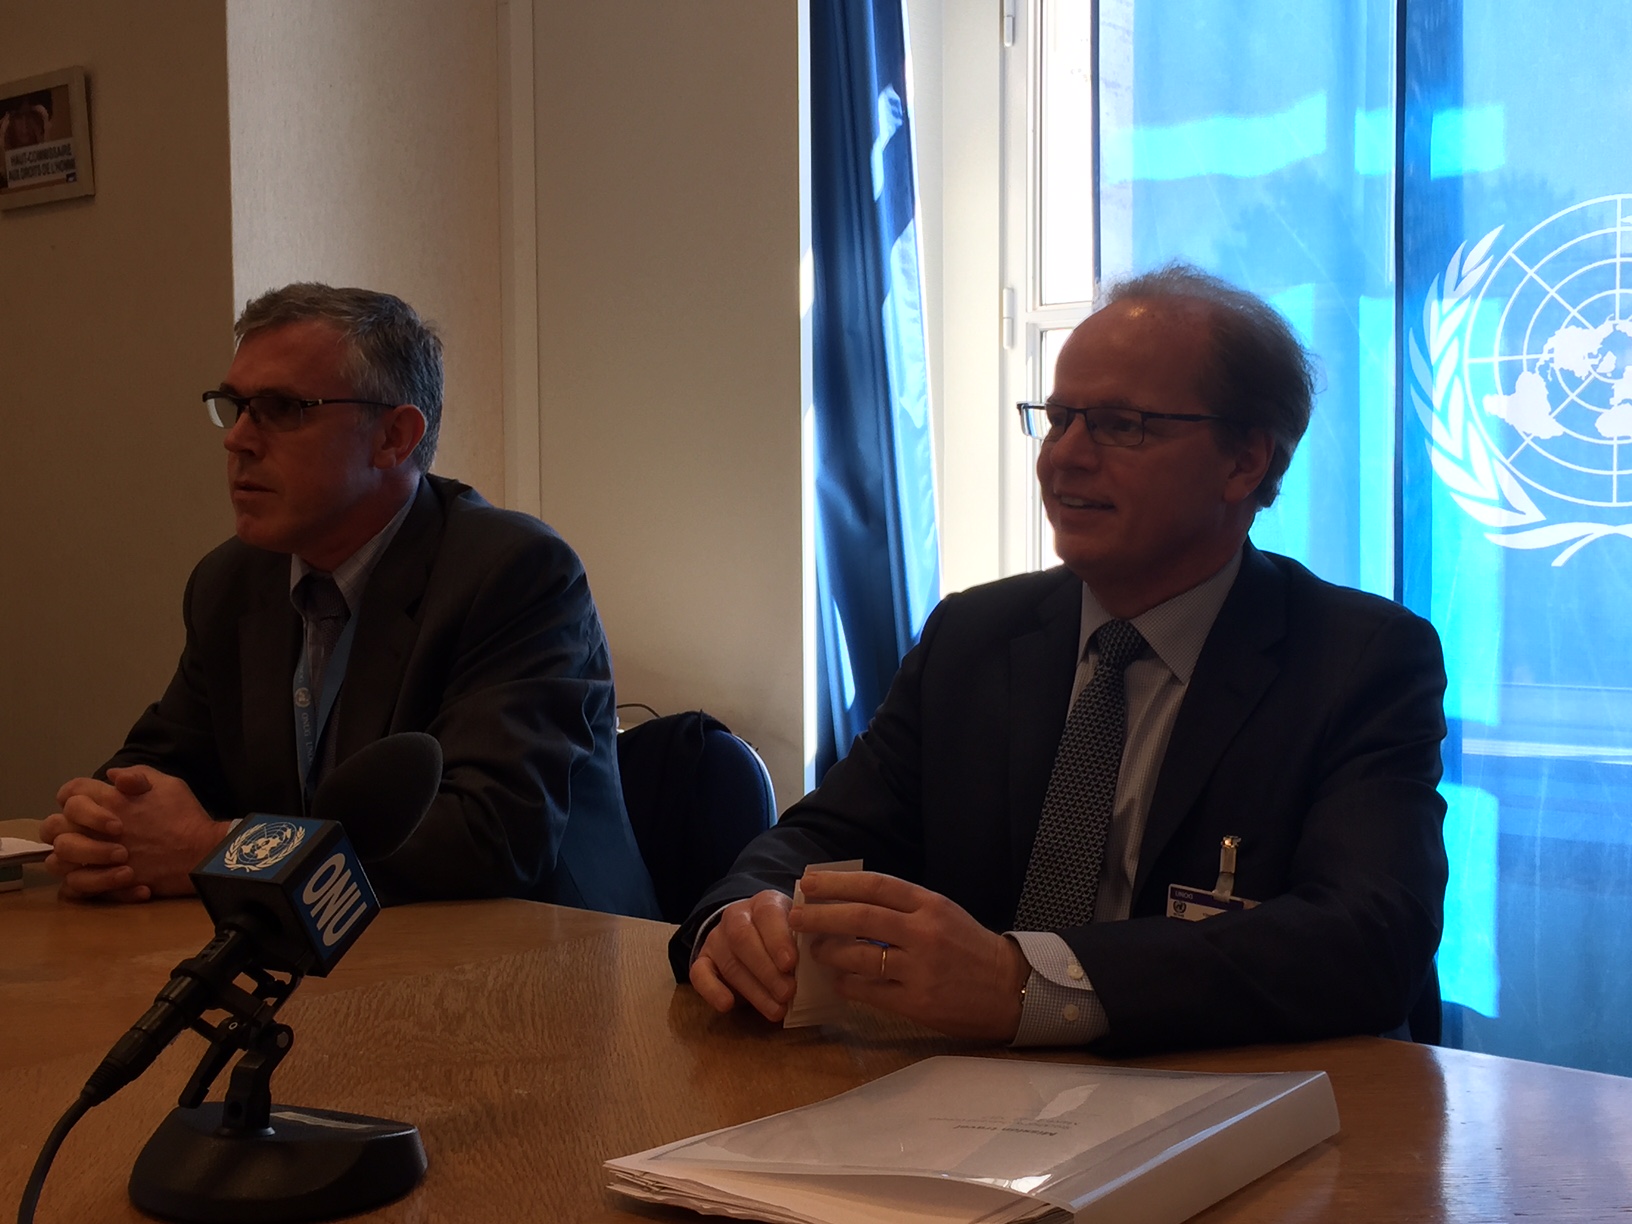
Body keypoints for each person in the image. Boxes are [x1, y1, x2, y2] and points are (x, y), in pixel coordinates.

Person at [677, 264, 1448, 1054]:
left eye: (1119, 425)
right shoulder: (974, 635)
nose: (1063, 458)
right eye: (1057, 419)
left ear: (1244, 461)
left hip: (1233, 1097)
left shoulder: (1359, 660)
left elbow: (1367, 937)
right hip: (962, 1097)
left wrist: (1027, 984)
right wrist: (743, 914)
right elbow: (819, 838)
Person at [38, 283, 659, 917]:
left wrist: (215, 849)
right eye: (236, 406)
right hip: (324, 941)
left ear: (394, 437)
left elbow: (488, 835)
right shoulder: (232, 582)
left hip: (537, 953)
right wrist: (106, 827)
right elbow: (160, 765)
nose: (238, 439)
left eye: (281, 408)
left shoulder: (513, 573)